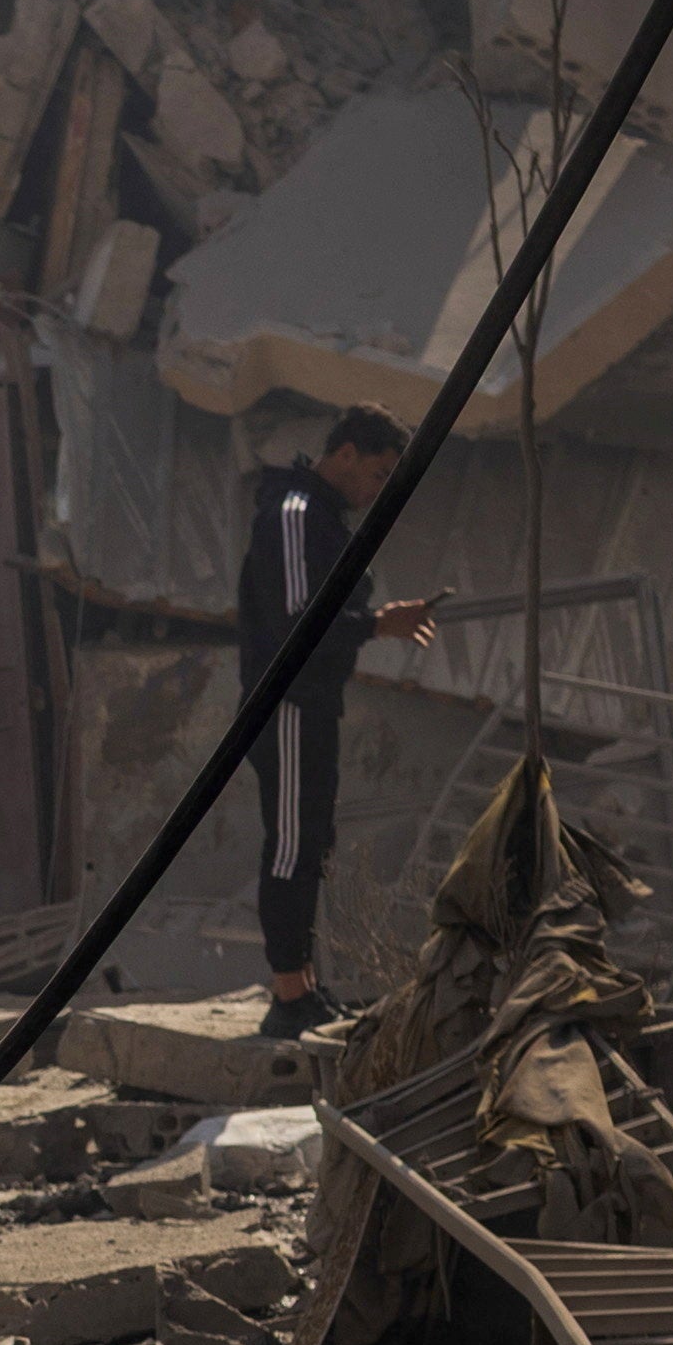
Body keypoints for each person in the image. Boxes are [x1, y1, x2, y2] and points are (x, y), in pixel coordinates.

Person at [233, 404, 442, 1039]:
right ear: (344, 455)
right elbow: (301, 622)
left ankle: (305, 987)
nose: (376, 490)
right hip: (290, 701)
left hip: (313, 702)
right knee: (294, 845)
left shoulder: (319, 519)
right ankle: (289, 993)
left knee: (311, 841)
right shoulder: (296, 516)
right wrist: (379, 625)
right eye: (376, 474)